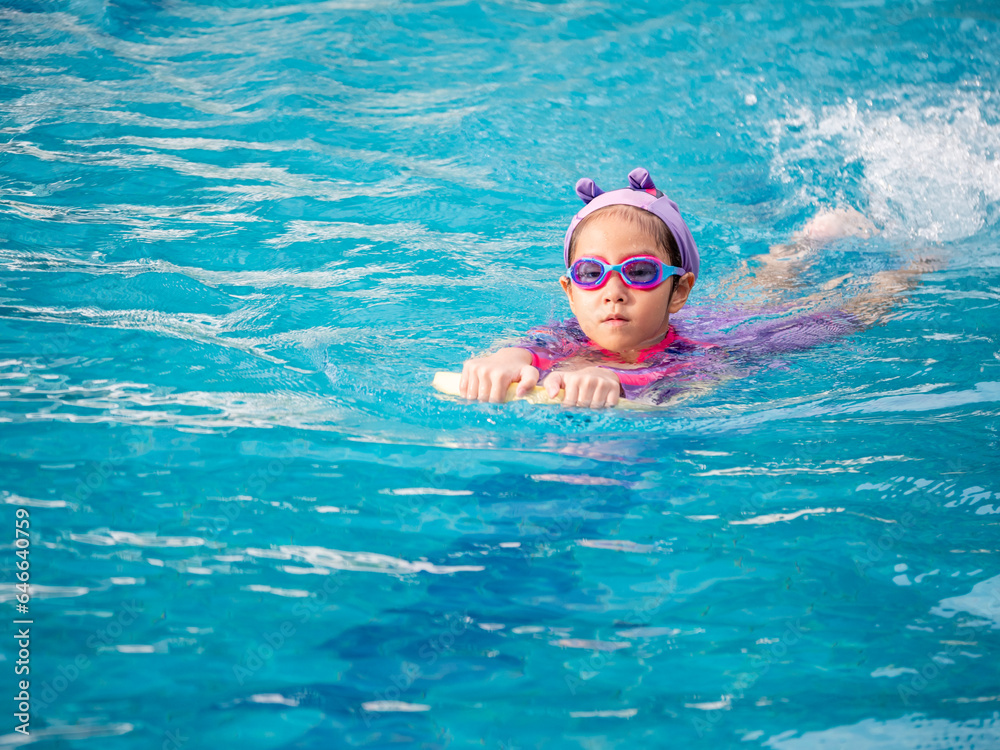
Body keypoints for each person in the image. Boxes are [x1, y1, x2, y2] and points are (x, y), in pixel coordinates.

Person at [458, 167, 926, 409]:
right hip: (724, 313)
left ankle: (913, 266)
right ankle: (798, 249)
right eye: (590, 273)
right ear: (569, 290)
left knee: (845, 315)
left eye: (639, 272)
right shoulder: (564, 338)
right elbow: (524, 350)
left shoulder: (690, 359)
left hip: (736, 336)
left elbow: (676, 390)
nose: (613, 291)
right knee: (756, 290)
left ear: (677, 292)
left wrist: (619, 381)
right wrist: (502, 362)